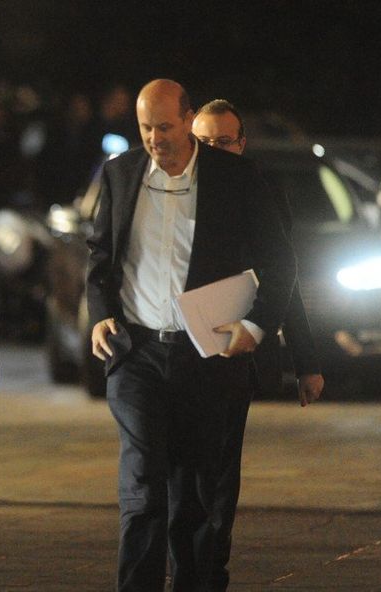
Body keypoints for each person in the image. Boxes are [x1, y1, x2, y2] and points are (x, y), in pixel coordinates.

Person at [86, 80, 297, 591]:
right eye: (145, 128)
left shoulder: (235, 177)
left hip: (206, 357)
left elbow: (280, 261)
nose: (155, 138)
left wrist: (255, 326)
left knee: (196, 494)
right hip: (137, 354)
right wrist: (101, 313)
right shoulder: (120, 174)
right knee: (142, 486)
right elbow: (100, 254)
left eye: (165, 127)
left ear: (187, 120)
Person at [192, 100, 324, 589]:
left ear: (241, 145)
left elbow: (283, 277)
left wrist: (305, 361)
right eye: (202, 142)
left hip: (234, 350)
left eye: (222, 142)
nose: (212, 151)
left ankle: (210, 571)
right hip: (177, 350)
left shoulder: (261, 190)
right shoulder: (173, 190)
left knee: (219, 472)